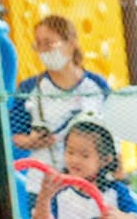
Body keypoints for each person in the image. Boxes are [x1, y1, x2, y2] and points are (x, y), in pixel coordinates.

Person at [10, 15, 110, 171]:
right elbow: (15, 134)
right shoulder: (29, 88)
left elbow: (113, 130)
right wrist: (32, 141)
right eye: (39, 44)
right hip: (44, 176)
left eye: (49, 43)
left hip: (90, 178)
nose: (43, 50)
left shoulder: (96, 85)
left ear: (71, 44)